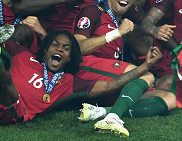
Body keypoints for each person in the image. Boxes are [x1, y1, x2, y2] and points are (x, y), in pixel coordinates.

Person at [0, 28, 169, 133]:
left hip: (14, 110)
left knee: (6, 80)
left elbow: (110, 86)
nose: (60, 49)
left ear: (69, 58)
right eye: (55, 45)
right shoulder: (23, 56)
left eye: (66, 48)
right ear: (45, 50)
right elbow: (12, 36)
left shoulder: (68, 82)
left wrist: (145, 66)